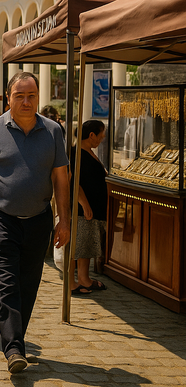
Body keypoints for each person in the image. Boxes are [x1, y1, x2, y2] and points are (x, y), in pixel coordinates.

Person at [0, 71, 70, 374]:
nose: (26, 101)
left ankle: (17, 339)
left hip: (39, 220)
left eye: (32, 95)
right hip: (1, 219)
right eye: (20, 95)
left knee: (29, 284)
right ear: (8, 97)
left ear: (38, 97)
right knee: (8, 282)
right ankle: (13, 348)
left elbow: (61, 179)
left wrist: (63, 219)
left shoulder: (53, 131)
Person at [70, 120, 108, 295]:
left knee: (86, 245)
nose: (102, 139)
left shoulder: (89, 152)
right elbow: (74, 182)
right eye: (100, 135)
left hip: (92, 207)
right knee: (76, 245)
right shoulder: (76, 154)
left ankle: (84, 278)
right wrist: (84, 204)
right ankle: (72, 282)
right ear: (91, 135)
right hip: (81, 208)